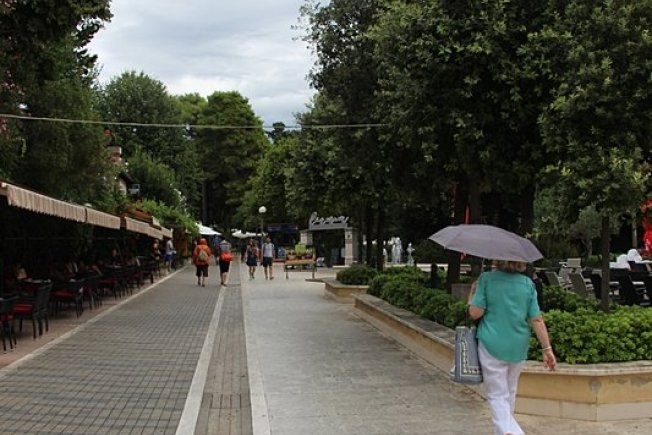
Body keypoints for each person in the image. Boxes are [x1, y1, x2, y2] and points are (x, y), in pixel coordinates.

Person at [468, 260, 556, 435]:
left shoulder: (486, 279)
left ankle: (511, 432)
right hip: (518, 345)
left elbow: (475, 313)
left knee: (497, 395)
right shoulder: (527, 284)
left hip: (491, 342)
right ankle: (504, 431)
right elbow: (536, 319)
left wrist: (472, 294)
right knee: (509, 392)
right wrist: (547, 349)